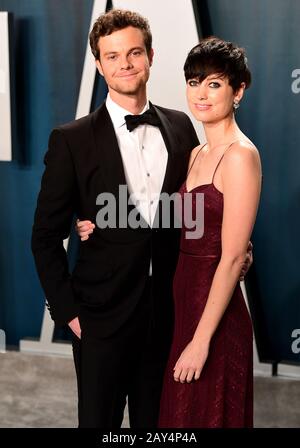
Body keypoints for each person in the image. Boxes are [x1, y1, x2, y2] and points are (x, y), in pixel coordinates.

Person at [32, 9, 251, 429]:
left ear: (150, 56)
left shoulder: (182, 126)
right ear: (98, 64)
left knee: (162, 428)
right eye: (112, 56)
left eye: (134, 52)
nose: (125, 64)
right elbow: (43, 236)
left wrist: (239, 249)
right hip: (100, 320)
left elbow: (196, 209)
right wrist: (70, 313)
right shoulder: (71, 140)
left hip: (170, 317)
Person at [157, 38, 262, 428]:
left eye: (214, 84)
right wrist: (102, 222)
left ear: (238, 91)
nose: (200, 93)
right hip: (185, 304)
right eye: (194, 81)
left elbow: (233, 257)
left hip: (215, 320)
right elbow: (180, 221)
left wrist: (201, 343)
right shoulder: (196, 153)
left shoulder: (241, 155)